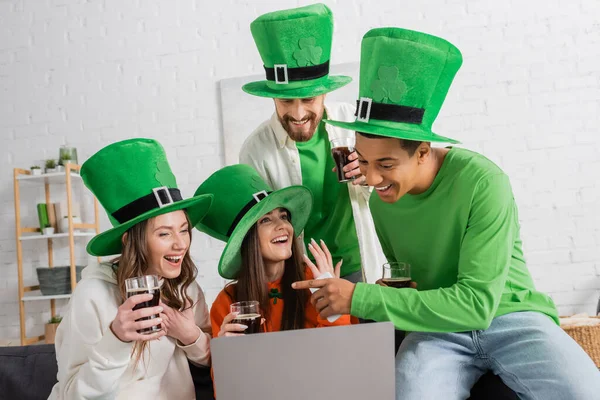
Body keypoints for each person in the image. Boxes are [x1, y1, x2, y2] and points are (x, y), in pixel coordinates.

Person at [293, 28, 600, 399]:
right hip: (436, 329)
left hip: (511, 317)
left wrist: (359, 297)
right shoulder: (381, 201)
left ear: (422, 151)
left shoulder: (482, 181)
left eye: (386, 164)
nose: (371, 178)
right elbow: (415, 285)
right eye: (365, 161)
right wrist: (385, 294)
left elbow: (477, 303)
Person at [49, 138, 214, 399]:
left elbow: (213, 364)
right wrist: (117, 339)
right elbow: (71, 395)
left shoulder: (186, 288)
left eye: (184, 230)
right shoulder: (92, 294)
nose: (180, 244)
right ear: (131, 241)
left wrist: (190, 336)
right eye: (164, 234)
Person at [239, 3, 385, 284]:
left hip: (360, 264)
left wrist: (369, 174)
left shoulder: (354, 125)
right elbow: (256, 230)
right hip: (297, 276)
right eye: (285, 101)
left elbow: (391, 189)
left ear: (324, 95)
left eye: (308, 100)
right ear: (272, 98)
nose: (297, 113)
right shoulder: (255, 151)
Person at [193, 164, 351, 338]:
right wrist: (227, 350)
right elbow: (224, 365)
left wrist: (335, 306)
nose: (283, 225)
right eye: (266, 220)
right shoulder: (228, 302)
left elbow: (339, 351)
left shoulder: (314, 284)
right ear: (246, 239)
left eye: (283, 216)